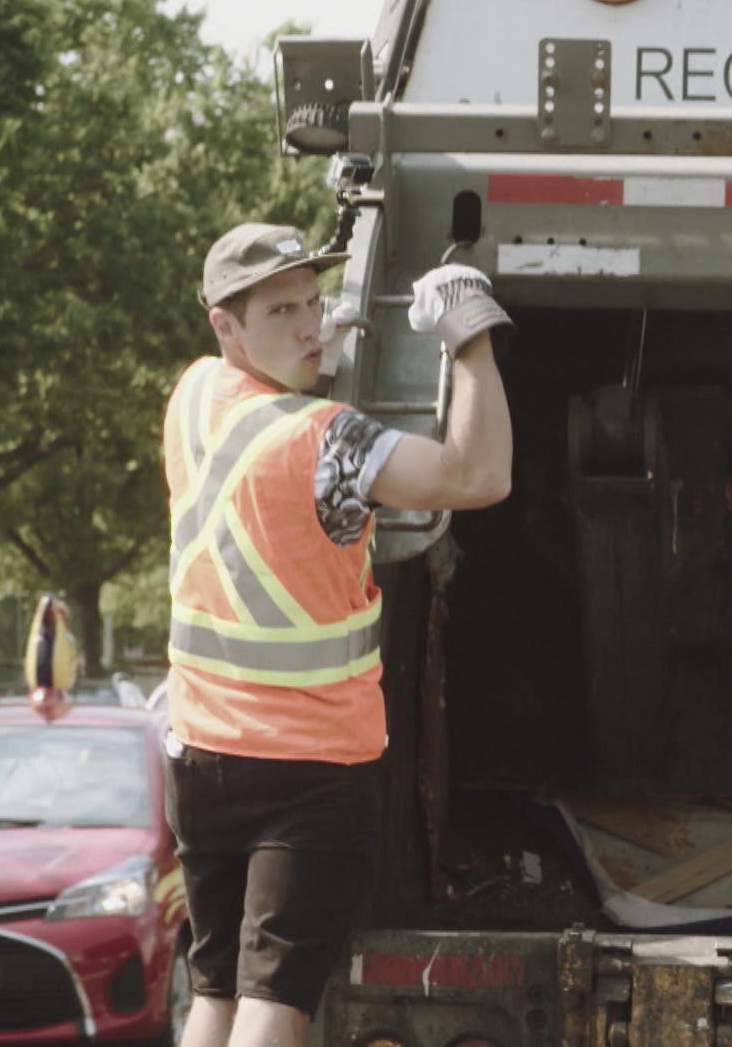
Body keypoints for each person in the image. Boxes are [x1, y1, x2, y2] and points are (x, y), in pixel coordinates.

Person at [161, 222, 513, 1047]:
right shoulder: (328, 442)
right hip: (307, 774)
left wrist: (321, 336)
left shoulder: (193, 398)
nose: (311, 325)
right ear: (227, 324)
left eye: (317, 303)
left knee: (213, 991)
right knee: (273, 1004)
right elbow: (480, 474)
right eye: (283, 311)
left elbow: (265, 392)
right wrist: (470, 339)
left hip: (200, 758)